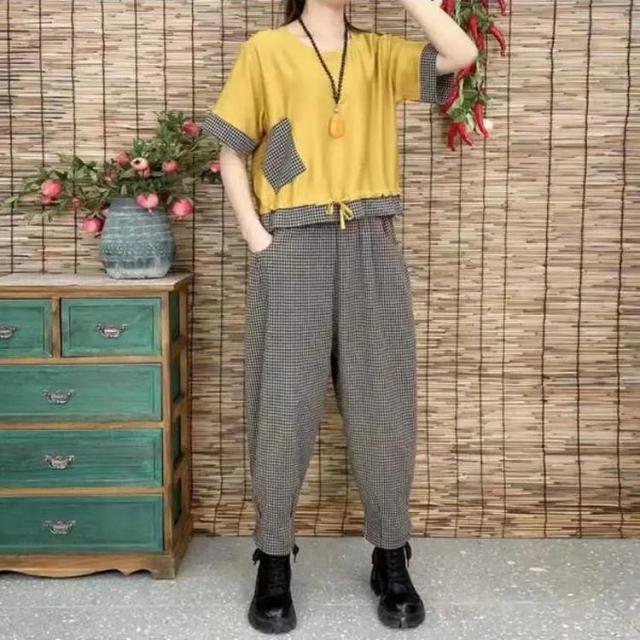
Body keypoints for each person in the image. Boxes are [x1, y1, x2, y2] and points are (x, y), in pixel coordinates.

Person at [202, 0, 477, 633]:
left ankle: (391, 555)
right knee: (283, 406)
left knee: (383, 404)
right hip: (291, 241)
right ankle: (273, 558)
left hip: (371, 238)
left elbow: (461, 53)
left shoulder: (378, 53)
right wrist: (259, 240)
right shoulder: (266, 51)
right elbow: (232, 151)